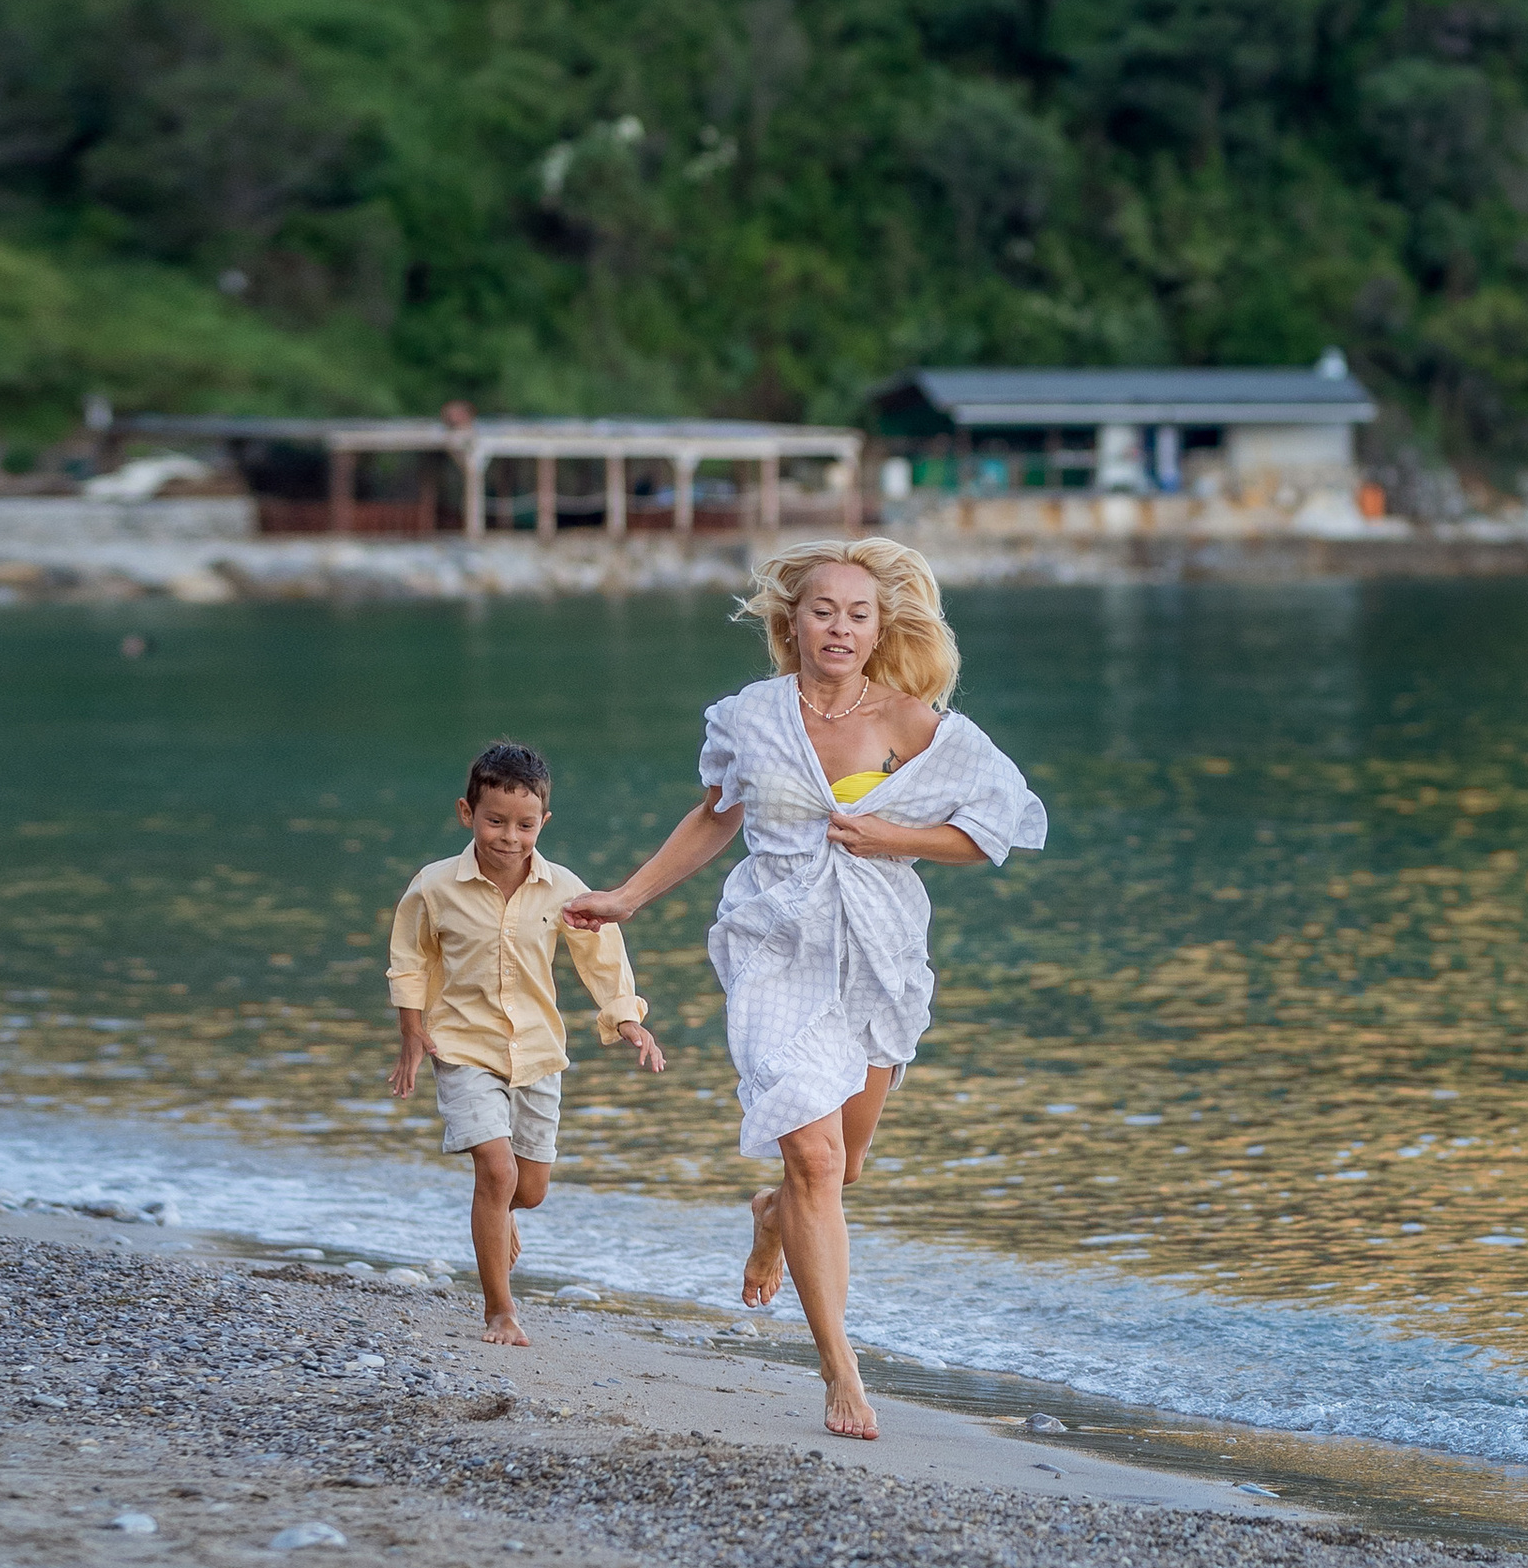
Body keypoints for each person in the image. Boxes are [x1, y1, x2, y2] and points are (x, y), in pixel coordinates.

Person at [561, 538, 1045, 1439]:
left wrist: (890, 839)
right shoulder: (754, 718)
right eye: (824, 610)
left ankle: (772, 1217)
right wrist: (628, 896)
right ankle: (839, 1373)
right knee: (816, 1161)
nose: (840, 627)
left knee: (844, 1166)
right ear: (794, 621)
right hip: (774, 948)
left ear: (878, 629)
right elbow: (716, 816)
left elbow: (995, 825)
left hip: (876, 954)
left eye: (858, 614)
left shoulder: (912, 723)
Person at [386, 739, 665, 1348]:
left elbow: (601, 954)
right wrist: (411, 1033)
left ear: (544, 821)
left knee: (528, 1191)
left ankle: (503, 1211)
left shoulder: (563, 888)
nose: (508, 836)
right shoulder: (434, 886)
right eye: (494, 821)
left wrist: (625, 1018)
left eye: (524, 824)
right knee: (496, 1168)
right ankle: (499, 1311)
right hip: (461, 1045)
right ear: (467, 813)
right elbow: (409, 958)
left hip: (538, 1051)